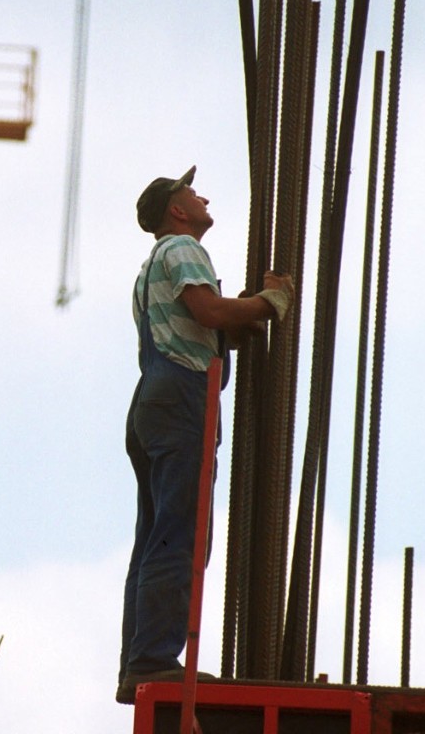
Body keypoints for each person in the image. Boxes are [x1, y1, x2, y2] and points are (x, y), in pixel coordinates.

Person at [116, 165, 294, 705]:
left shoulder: (150, 269)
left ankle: (139, 662)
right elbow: (208, 310)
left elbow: (201, 327)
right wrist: (270, 303)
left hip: (151, 400)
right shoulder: (184, 250)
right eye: (192, 192)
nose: (202, 197)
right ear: (176, 209)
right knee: (182, 533)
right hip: (182, 400)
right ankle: (154, 659)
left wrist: (237, 321)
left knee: (155, 536)